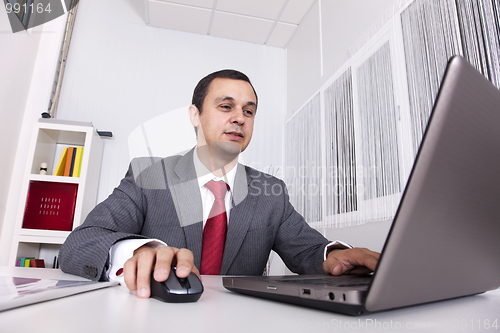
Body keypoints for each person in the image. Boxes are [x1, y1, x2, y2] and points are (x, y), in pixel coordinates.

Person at [59, 69, 379, 299]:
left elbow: (308, 251)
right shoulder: (149, 177)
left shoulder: (271, 192)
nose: (239, 117)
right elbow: (81, 242)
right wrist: (138, 251)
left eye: (248, 111)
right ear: (195, 115)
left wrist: (334, 254)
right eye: (226, 107)